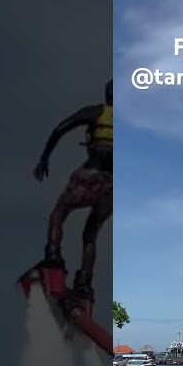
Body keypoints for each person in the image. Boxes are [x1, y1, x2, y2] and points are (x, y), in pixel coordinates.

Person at [32, 79, 115, 302]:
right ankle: (84, 282)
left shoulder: (96, 112)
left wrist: (44, 158)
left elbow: (61, 128)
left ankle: (53, 256)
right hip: (112, 186)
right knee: (91, 232)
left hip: (91, 175)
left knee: (60, 211)